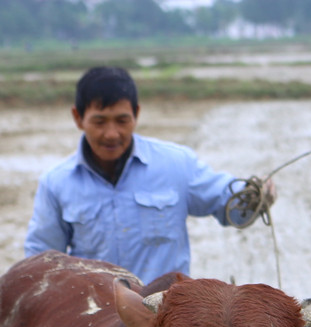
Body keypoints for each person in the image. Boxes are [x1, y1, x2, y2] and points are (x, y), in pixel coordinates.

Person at [23, 66, 275, 286]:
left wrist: (257, 196)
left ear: (136, 114)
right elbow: (42, 264)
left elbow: (230, 206)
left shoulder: (176, 164)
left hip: (165, 318)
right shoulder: (56, 183)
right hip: (96, 321)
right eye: (99, 122)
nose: (111, 134)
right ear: (78, 118)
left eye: (122, 121)